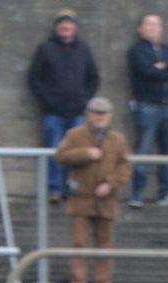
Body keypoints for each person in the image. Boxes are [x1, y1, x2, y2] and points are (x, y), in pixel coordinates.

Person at [55, 97, 132, 283]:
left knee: (105, 244)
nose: (100, 117)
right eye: (96, 113)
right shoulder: (75, 135)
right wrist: (85, 153)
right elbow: (61, 156)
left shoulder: (118, 139)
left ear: (110, 116)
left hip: (107, 200)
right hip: (81, 198)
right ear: (88, 115)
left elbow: (125, 166)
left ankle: (104, 282)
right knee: (79, 242)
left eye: (103, 114)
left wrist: (111, 184)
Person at [27, 9, 100, 203]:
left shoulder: (83, 49)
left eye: (69, 24)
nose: (65, 27)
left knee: (76, 153)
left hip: (77, 112)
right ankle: (54, 189)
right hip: (53, 113)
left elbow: (93, 78)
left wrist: (84, 100)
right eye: (62, 24)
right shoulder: (45, 49)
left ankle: (72, 187)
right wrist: (49, 100)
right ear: (56, 27)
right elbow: (34, 79)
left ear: (74, 27)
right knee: (55, 151)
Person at [126, 13, 168, 209]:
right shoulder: (136, 51)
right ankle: (137, 194)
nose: (152, 28)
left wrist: (165, 66)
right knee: (143, 152)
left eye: (156, 24)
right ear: (140, 29)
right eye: (149, 24)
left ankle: (167, 193)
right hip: (147, 107)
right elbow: (146, 71)